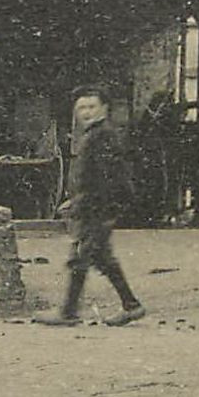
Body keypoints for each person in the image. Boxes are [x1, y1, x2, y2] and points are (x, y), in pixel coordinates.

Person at [34, 85, 145, 327]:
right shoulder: (95, 134)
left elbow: (106, 179)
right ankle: (130, 304)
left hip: (96, 208)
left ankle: (69, 312)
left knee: (81, 257)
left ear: (104, 108)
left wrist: (86, 203)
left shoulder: (102, 135)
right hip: (93, 206)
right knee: (100, 257)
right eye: (81, 107)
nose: (86, 112)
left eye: (92, 106)